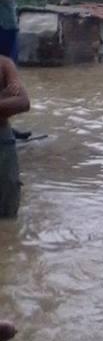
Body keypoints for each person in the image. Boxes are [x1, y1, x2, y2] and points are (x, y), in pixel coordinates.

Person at [0, 55, 30, 218]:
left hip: (3, 141)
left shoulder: (4, 64)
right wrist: (4, 98)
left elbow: (23, 102)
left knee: (8, 209)